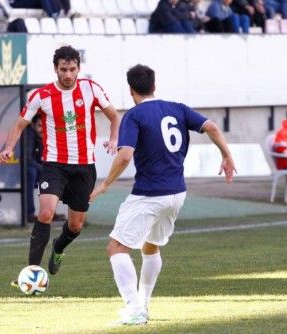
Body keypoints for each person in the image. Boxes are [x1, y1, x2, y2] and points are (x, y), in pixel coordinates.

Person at [89, 64, 236, 325]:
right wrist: (226, 155)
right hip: (176, 194)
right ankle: (143, 303)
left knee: (116, 248)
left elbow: (124, 156)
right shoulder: (177, 108)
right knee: (150, 246)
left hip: (149, 194)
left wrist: (105, 185)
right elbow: (211, 126)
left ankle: (134, 309)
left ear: (131, 89)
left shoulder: (134, 116)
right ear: (154, 86)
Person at [0, 45, 120, 281]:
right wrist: (8, 148)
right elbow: (20, 124)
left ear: (78, 69)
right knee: (45, 214)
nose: (67, 74)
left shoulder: (91, 89)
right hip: (54, 164)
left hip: (84, 166)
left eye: (72, 69)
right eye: (63, 69)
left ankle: (59, 247)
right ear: (55, 69)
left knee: (75, 226)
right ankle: (32, 272)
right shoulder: (40, 96)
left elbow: (114, 116)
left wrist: (114, 138)